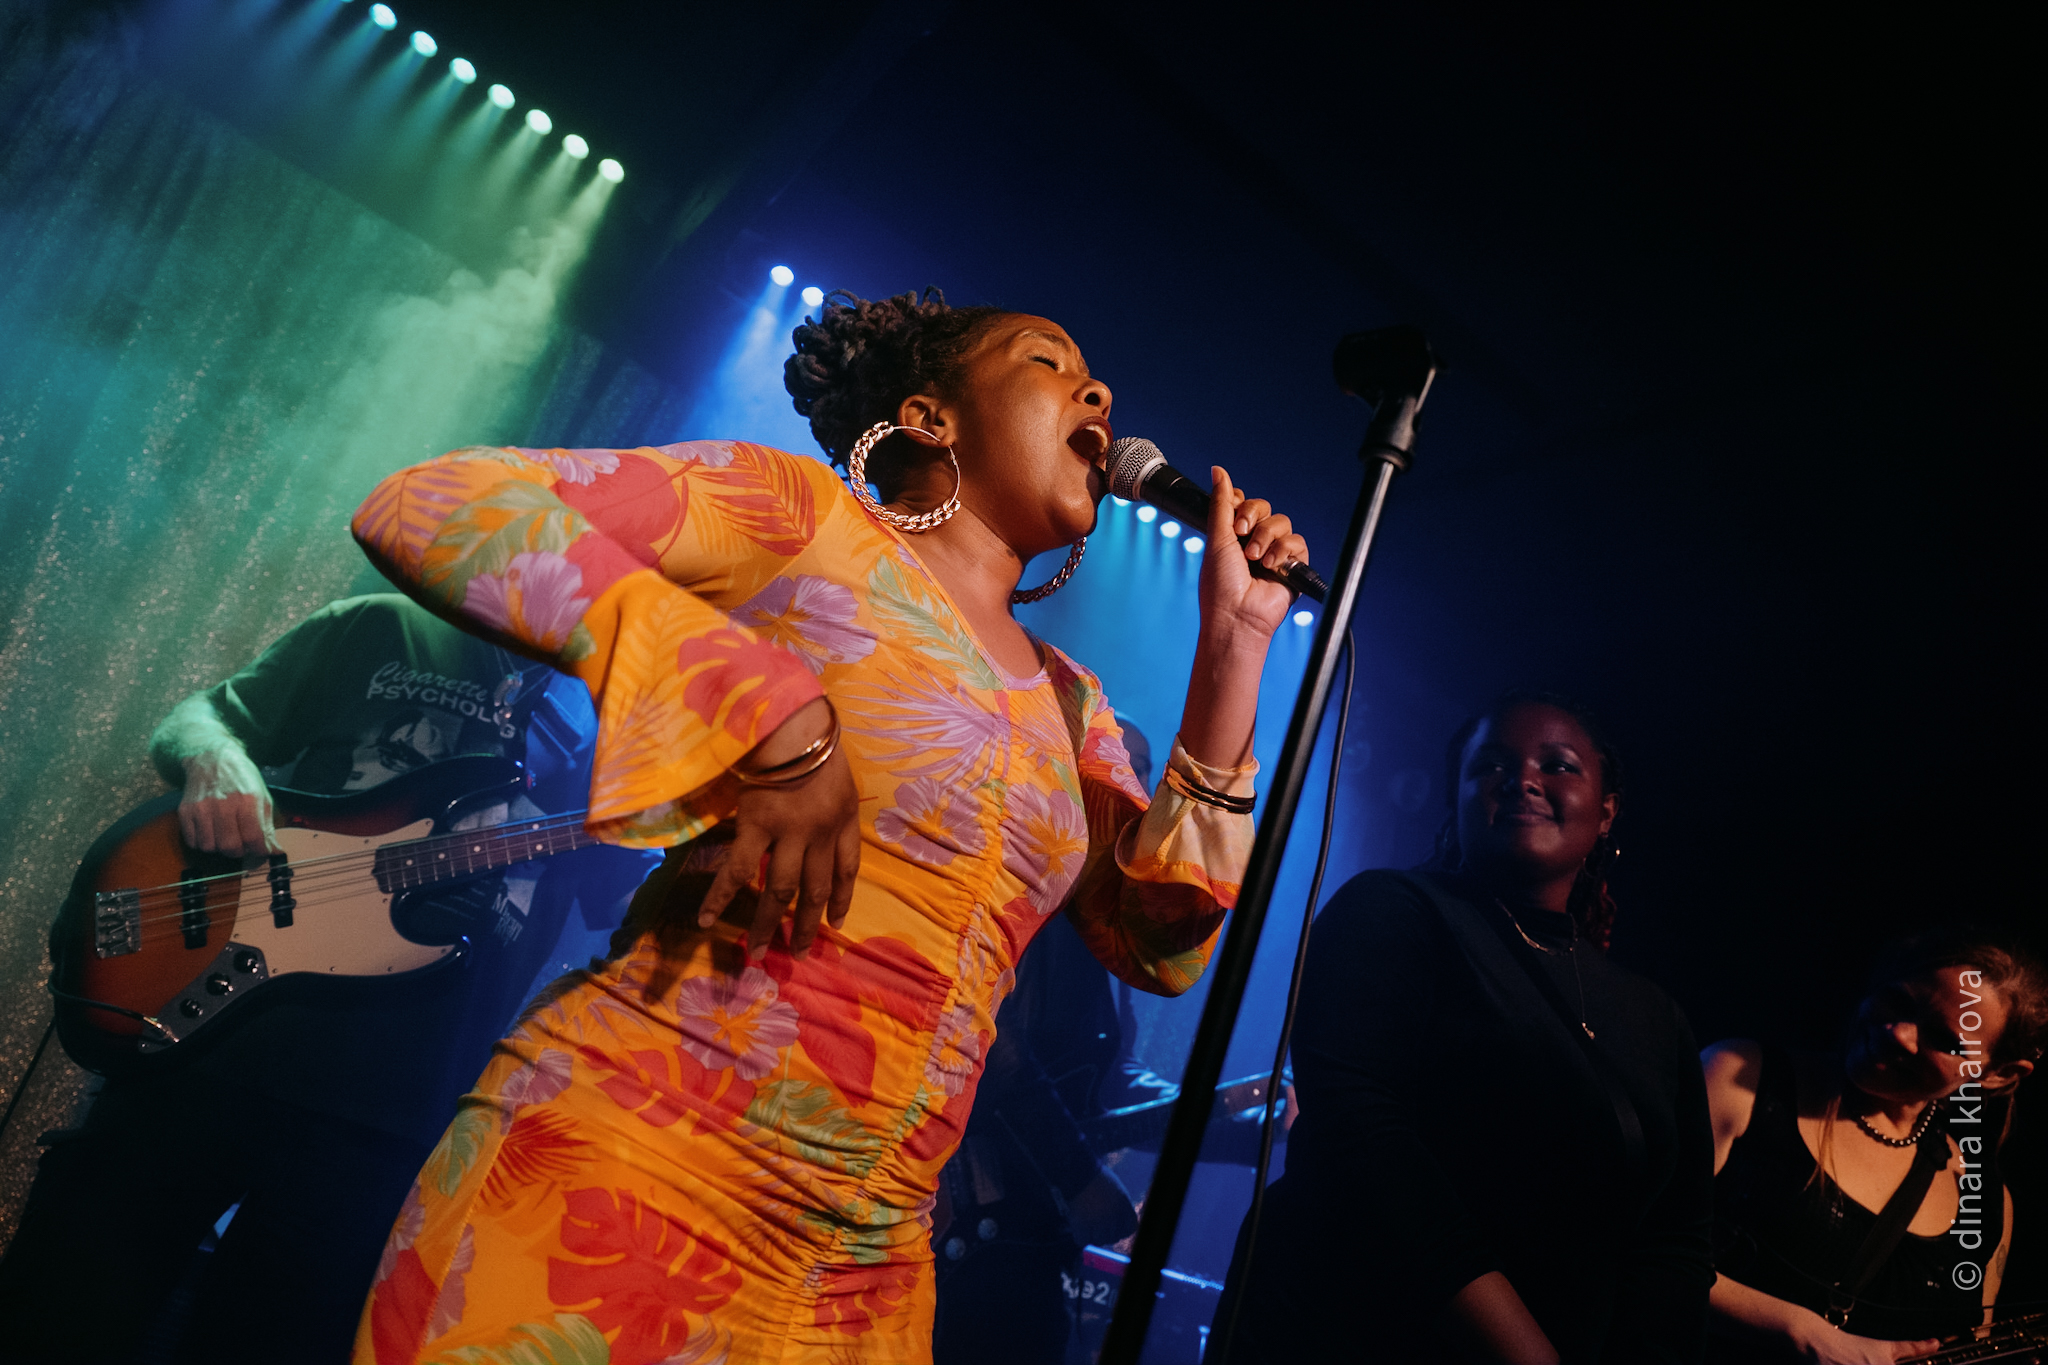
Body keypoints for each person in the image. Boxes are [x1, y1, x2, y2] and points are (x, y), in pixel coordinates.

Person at [343, 289, 1311, 1364]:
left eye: (1095, 379)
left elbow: (1158, 941)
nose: (1099, 393)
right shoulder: (802, 515)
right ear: (931, 418)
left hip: (865, 1269)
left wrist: (1233, 645)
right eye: (1048, 362)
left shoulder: (1072, 703)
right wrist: (759, 701)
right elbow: (437, 501)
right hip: (633, 1168)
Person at [0, 593, 657, 1365]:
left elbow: (628, 910)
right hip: (211, 1044)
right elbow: (196, 719)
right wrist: (214, 757)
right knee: (54, 1319)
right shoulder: (384, 623)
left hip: (392, 1120)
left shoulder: (635, 725)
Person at [1217, 692, 1715, 1364]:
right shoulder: (1390, 912)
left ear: (1606, 812)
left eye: (1558, 765)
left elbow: (1677, 1237)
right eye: (1491, 765)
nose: (1522, 779)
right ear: (1456, 796)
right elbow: (1362, 1138)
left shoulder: (1654, 1014)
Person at [928, 719, 1156, 1365]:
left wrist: (1238, 1122)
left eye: (1142, 770)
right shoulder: (1025, 875)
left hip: (1027, 1228)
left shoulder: (1094, 921)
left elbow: (1106, 1078)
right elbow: (989, 1033)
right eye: (1117, 765)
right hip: (977, 1223)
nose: (1133, 786)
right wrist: (1080, 1176)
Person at [1703, 931, 2044, 1361]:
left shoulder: (1986, 1202)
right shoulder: (1740, 1080)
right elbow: (1636, 1243)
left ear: (1997, 1074)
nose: (1899, 1033)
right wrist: (1803, 1333)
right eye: (1897, 1001)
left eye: (1945, 1039)